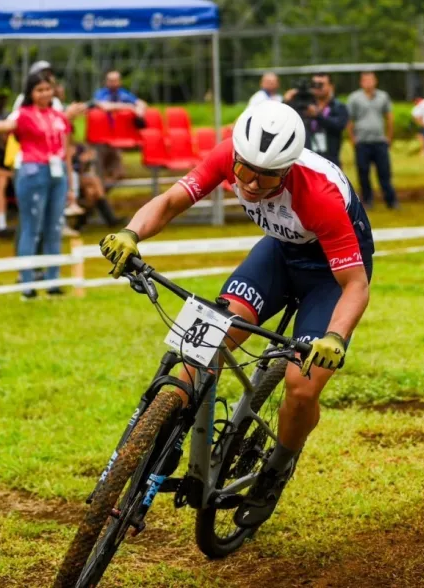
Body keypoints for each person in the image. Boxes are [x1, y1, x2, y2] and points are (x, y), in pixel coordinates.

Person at [98, 101, 374, 528]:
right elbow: (171, 201)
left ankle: (276, 469)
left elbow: (355, 285)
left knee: (301, 387)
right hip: (280, 256)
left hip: (329, 276)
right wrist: (131, 232)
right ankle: (155, 444)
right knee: (199, 348)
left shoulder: (317, 194)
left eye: (265, 179)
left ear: (288, 169)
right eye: (243, 172)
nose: (249, 185)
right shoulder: (228, 154)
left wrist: (335, 337)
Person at [0, 70, 75, 299]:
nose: (44, 94)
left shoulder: (58, 116)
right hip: (33, 172)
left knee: (55, 228)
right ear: (30, 93)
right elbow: (6, 125)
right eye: (39, 90)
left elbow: (67, 149)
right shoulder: (24, 114)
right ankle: (27, 283)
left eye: (47, 89)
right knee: (32, 228)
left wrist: (70, 184)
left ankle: (53, 281)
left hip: (57, 172)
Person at [346, 72, 398, 209]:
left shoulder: (383, 97)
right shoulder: (354, 98)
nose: (368, 83)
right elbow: (349, 120)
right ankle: (367, 201)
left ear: (375, 81)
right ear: (361, 82)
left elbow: (389, 117)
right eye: (365, 80)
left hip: (380, 141)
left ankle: (391, 201)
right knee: (363, 173)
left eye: (371, 80)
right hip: (362, 142)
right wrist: (353, 139)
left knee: (385, 173)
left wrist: (389, 137)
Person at [304, 73, 348, 167]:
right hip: (308, 158)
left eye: (321, 84)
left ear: (331, 86)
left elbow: (339, 125)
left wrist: (318, 116)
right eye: (314, 84)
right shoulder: (304, 105)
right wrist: (288, 99)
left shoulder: (338, 106)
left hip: (330, 159)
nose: (317, 87)